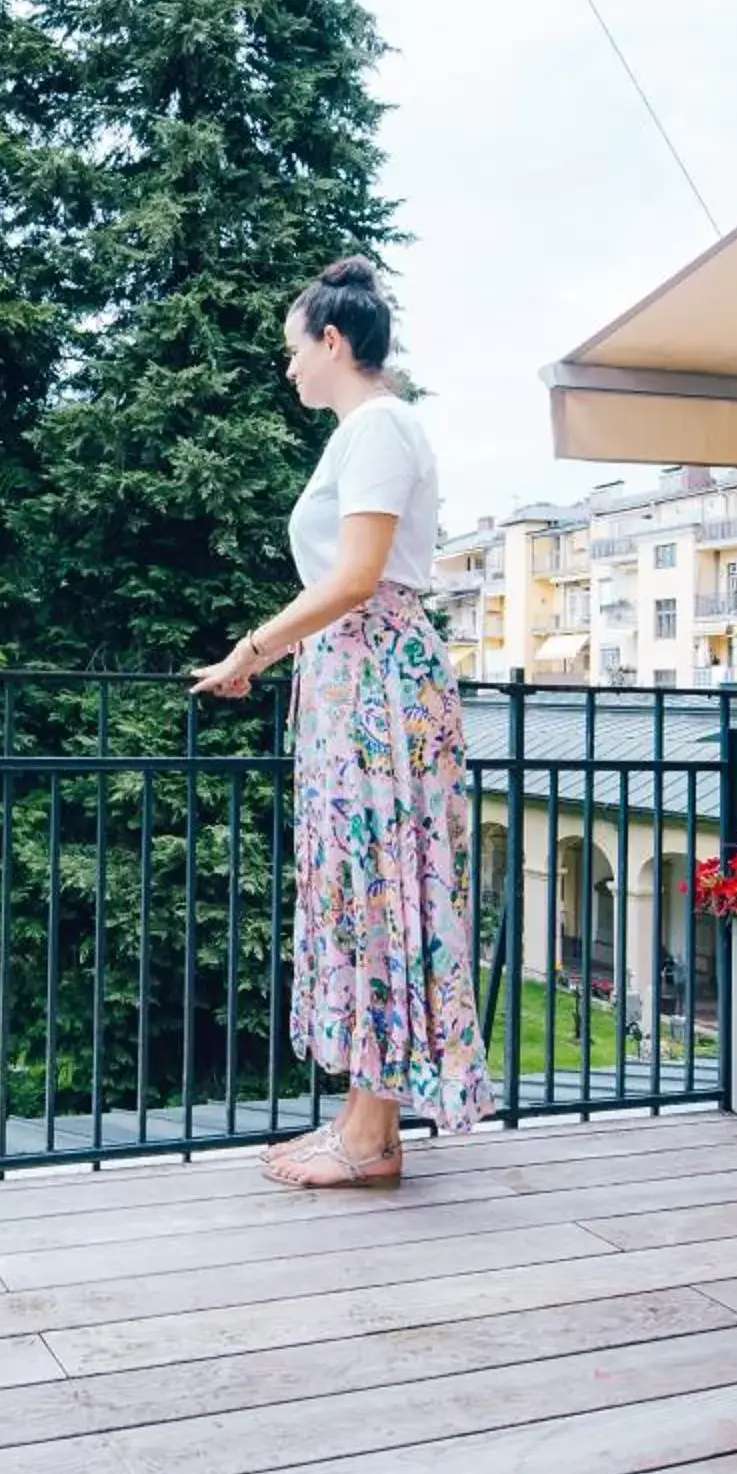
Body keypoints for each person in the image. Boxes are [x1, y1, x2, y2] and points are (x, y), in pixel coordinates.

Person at [190, 256, 497, 1186]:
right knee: (367, 888)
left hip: (375, 685)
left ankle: (371, 1138)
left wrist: (251, 651)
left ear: (333, 342)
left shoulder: (379, 427)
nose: (288, 369)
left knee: (382, 885)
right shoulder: (365, 432)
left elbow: (357, 578)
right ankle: (367, 1125)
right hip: (355, 682)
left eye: (294, 350)